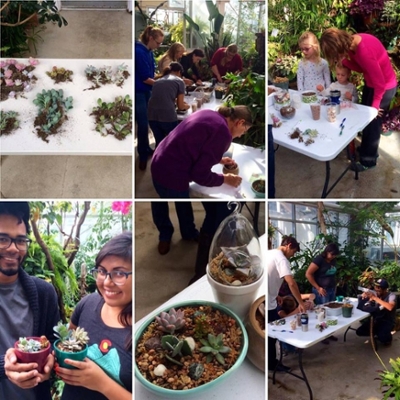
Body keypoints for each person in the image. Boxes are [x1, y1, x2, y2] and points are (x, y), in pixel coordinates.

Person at [56, 231, 132, 400]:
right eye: (102, 271)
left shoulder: (142, 330)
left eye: (119, 273)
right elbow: (67, 343)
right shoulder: (88, 303)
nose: (106, 282)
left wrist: (102, 383)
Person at [1, 202, 60, 400]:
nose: (13, 249)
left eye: (20, 240)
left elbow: (53, 341)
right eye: (2, 239)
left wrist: (50, 361)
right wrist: (5, 367)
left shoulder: (44, 293)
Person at [320, 28, 397, 172]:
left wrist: (374, 108)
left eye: (336, 54)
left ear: (339, 46)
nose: (337, 57)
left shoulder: (364, 51)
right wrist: (344, 61)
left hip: (383, 87)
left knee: (373, 121)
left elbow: (380, 83)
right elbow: (362, 68)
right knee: (365, 119)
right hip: (372, 84)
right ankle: (368, 148)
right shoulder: (352, 42)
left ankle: (369, 160)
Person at [151, 105, 251, 198]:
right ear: (240, 122)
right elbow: (200, 175)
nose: (240, 135)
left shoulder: (210, 113)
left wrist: (218, 159)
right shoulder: (222, 133)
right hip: (171, 173)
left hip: (159, 158)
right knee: (184, 211)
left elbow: (194, 144)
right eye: (244, 131)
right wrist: (225, 179)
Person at [267, 235, 306, 372]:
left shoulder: (269, 253)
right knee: (272, 335)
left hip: (265, 298)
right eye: (293, 252)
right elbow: (291, 283)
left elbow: (268, 275)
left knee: (269, 333)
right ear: (289, 245)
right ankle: (271, 364)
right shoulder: (282, 259)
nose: (292, 255)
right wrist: (301, 303)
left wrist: (275, 294)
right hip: (268, 305)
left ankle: (271, 361)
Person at [135, 26, 164, 171]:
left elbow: (151, 74)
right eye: (158, 43)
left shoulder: (149, 51)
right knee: (142, 123)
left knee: (147, 121)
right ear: (150, 38)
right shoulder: (139, 51)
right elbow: (145, 78)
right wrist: (163, 84)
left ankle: (146, 148)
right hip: (139, 92)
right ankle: (142, 154)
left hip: (148, 91)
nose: (158, 46)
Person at [148, 62, 189, 148]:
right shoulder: (179, 81)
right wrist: (187, 106)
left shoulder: (158, 81)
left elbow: (162, 97)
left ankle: (158, 160)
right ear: (179, 72)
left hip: (152, 116)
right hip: (167, 117)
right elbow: (181, 106)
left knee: (160, 144)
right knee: (173, 144)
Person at [305, 242, 340, 344]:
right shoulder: (319, 260)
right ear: (327, 252)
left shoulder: (333, 260)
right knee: (322, 313)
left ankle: (329, 333)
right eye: (332, 254)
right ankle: (321, 335)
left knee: (331, 312)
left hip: (331, 289)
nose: (333, 257)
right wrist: (318, 288)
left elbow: (332, 274)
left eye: (335, 255)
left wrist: (334, 286)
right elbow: (308, 274)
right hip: (321, 290)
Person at [356, 278, 396, 347]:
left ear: (385, 289)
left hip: (387, 321)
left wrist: (375, 298)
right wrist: (364, 297)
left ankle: (387, 338)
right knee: (359, 331)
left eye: (379, 287)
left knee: (383, 338)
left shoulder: (391, 296)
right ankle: (377, 332)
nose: (376, 289)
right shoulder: (375, 293)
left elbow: (390, 307)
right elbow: (366, 304)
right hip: (376, 319)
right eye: (375, 287)